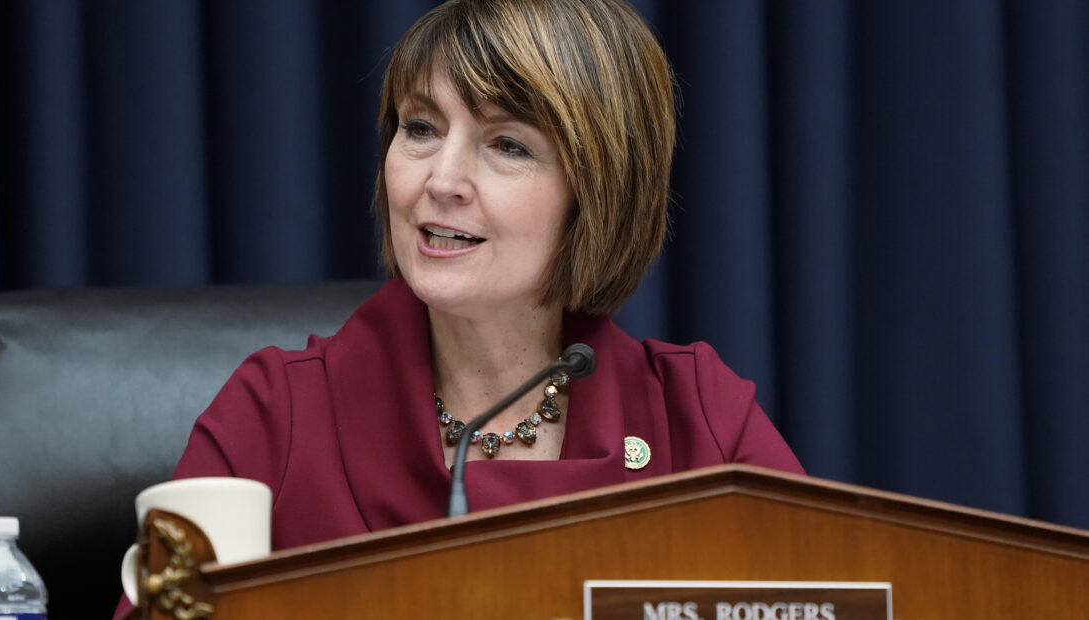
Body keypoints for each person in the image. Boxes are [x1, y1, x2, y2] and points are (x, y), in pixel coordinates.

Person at [115, 0, 802, 615]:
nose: (440, 180)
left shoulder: (697, 419)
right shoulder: (272, 416)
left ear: (598, 194)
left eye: (507, 144)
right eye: (420, 128)